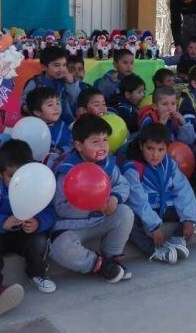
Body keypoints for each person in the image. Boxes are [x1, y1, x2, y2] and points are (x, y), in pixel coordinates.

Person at [50, 115, 134, 283]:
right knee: (61, 248)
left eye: (105, 140)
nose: (103, 146)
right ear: (79, 146)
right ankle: (100, 265)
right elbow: (60, 207)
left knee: (125, 213)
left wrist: (115, 199)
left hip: (101, 219)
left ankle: (112, 257)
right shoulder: (68, 171)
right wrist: (93, 206)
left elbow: (122, 185)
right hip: (72, 226)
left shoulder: (107, 163)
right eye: (95, 142)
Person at [0, 140, 56, 296]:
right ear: (1, 173)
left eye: (22, 175)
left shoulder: (37, 187)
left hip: (25, 235)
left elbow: (50, 212)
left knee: (40, 240)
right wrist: (1, 222)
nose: (17, 180)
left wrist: (38, 223)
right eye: (11, 176)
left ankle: (38, 273)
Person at [122, 124, 196, 263]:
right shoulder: (132, 168)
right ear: (141, 146)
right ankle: (154, 250)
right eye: (150, 148)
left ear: (166, 149)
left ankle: (177, 239)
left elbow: (182, 189)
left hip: (167, 207)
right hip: (147, 211)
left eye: (160, 149)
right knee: (127, 220)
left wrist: (188, 218)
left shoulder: (170, 164)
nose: (155, 154)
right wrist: (154, 226)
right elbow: (138, 200)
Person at [22, 46, 80, 124]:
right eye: (56, 65)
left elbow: (75, 100)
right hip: (41, 124)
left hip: (66, 123)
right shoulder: (36, 82)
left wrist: (71, 84)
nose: (61, 69)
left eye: (64, 65)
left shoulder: (68, 81)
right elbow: (23, 105)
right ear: (44, 67)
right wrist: (38, 110)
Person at [27, 87, 72, 153]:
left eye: (58, 103)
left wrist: (61, 150)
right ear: (37, 112)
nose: (56, 108)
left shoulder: (64, 126)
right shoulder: (31, 129)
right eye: (50, 105)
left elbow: (71, 144)